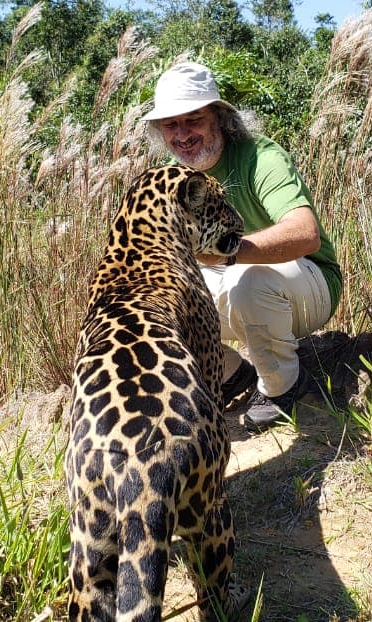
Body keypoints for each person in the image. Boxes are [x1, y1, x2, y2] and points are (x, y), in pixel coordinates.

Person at [141, 61, 342, 427]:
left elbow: (305, 233)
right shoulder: (172, 179)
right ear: (160, 131)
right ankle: (235, 376)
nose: (182, 134)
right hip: (231, 288)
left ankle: (282, 388)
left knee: (250, 283)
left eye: (194, 119)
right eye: (171, 124)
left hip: (307, 284)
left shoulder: (261, 157)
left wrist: (227, 252)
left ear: (219, 117)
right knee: (147, 306)